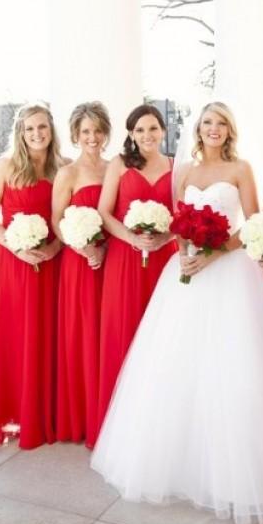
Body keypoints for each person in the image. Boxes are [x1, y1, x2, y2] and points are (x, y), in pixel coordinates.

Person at [91, 102, 263, 524]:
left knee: (231, 369)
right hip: (186, 273)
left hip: (231, 276)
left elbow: (252, 223)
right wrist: (186, 254)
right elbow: (179, 221)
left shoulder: (242, 169)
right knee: (177, 368)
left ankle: (233, 474)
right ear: (198, 128)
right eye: (207, 122)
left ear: (230, 130)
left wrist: (213, 254)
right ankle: (181, 466)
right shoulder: (185, 171)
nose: (214, 129)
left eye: (221, 123)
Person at [0, 102, 64, 449]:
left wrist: (54, 249)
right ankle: (16, 413)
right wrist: (14, 246)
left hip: (52, 261)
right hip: (15, 262)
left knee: (49, 334)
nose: (37, 134)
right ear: (20, 132)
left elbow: (68, 218)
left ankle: (49, 414)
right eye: (30, 129)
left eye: (42, 127)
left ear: (51, 129)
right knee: (17, 334)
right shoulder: (5, 166)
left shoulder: (63, 168)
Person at [96, 104, 176, 433]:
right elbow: (104, 212)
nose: (147, 135)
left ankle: (160, 421)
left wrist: (165, 237)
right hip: (125, 259)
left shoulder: (175, 165)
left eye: (153, 128)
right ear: (131, 134)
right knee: (124, 330)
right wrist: (132, 238)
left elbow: (182, 213)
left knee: (164, 336)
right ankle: (121, 425)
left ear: (163, 131)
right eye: (140, 130)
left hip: (163, 258)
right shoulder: (119, 164)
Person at [52, 102, 110, 449]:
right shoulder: (68, 174)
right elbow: (57, 221)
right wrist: (83, 246)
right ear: (75, 135)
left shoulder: (115, 167)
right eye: (85, 131)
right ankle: (86, 418)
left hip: (113, 259)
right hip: (80, 263)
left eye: (97, 130)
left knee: (110, 334)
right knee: (85, 336)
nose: (92, 137)